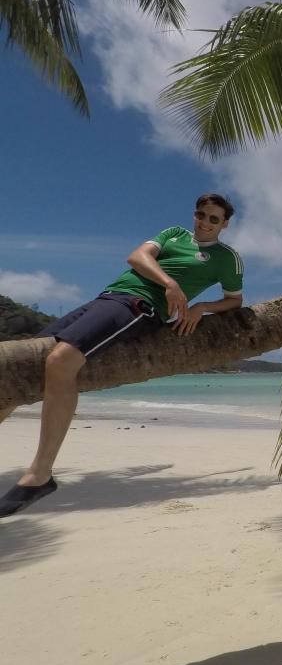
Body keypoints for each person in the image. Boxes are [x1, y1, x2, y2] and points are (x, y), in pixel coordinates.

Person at [0, 193, 244, 517]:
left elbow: (234, 300)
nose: (205, 223)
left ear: (224, 224)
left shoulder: (227, 258)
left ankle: (40, 474)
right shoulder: (174, 233)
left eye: (214, 219)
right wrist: (171, 283)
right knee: (21, 370)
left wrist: (201, 307)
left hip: (138, 307)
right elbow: (137, 257)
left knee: (60, 361)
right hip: (106, 298)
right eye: (201, 215)